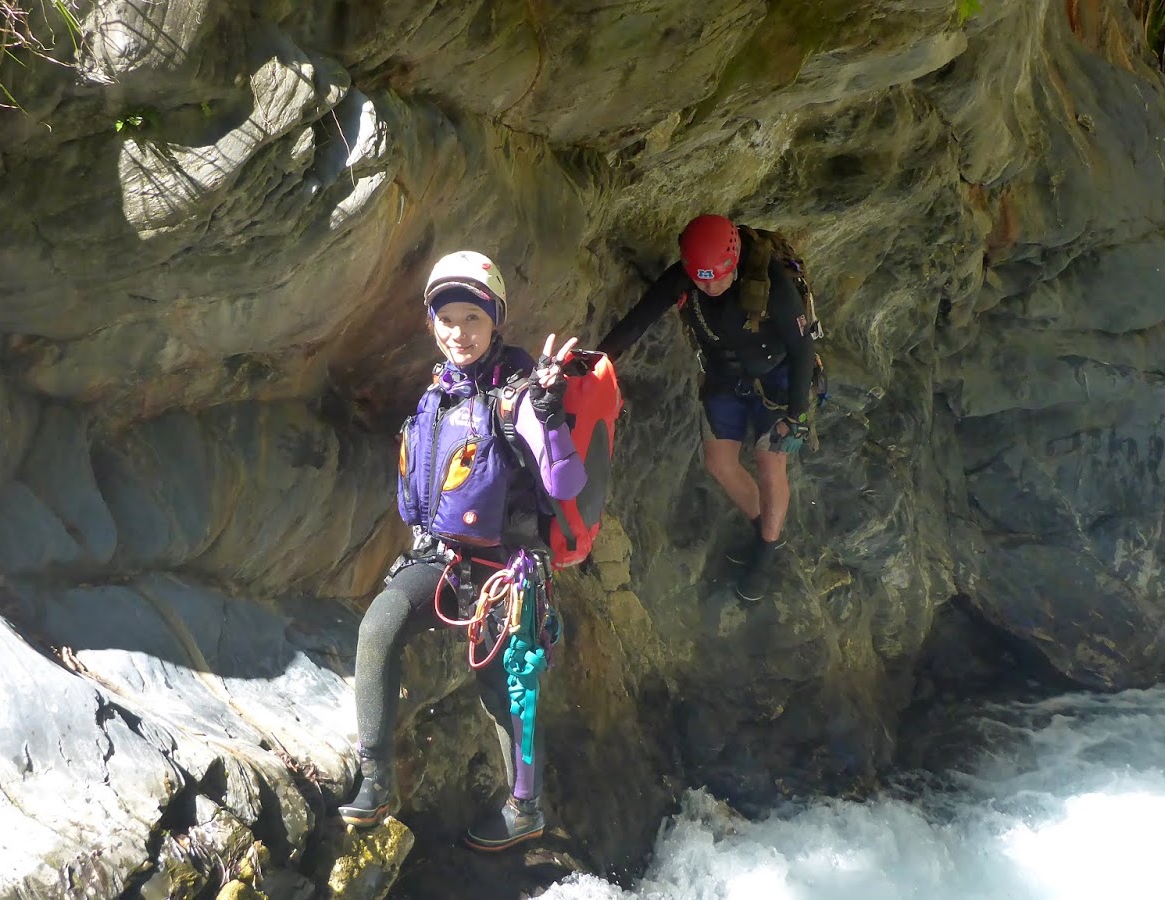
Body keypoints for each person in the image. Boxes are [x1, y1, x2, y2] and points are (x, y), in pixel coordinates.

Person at [338, 250, 586, 852]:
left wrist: (550, 415)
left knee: (503, 689)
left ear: (495, 320)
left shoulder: (518, 396)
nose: (458, 333)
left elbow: (567, 484)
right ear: (431, 325)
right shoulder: (438, 393)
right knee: (378, 627)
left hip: (506, 568)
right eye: (446, 319)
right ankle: (376, 779)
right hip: (442, 558)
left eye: (472, 318)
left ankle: (526, 808)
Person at [595, 214, 818, 603]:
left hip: (776, 378)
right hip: (724, 376)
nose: (710, 286)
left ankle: (766, 553)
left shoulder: (773, 284)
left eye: (717, 277)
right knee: (719, 464)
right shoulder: (684, 276)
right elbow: (638, 320)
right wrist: (594, 359)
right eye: (701, 279)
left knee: (770, 465)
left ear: (733, 261)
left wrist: (796, 416)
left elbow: (802, 350)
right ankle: (765, 530)